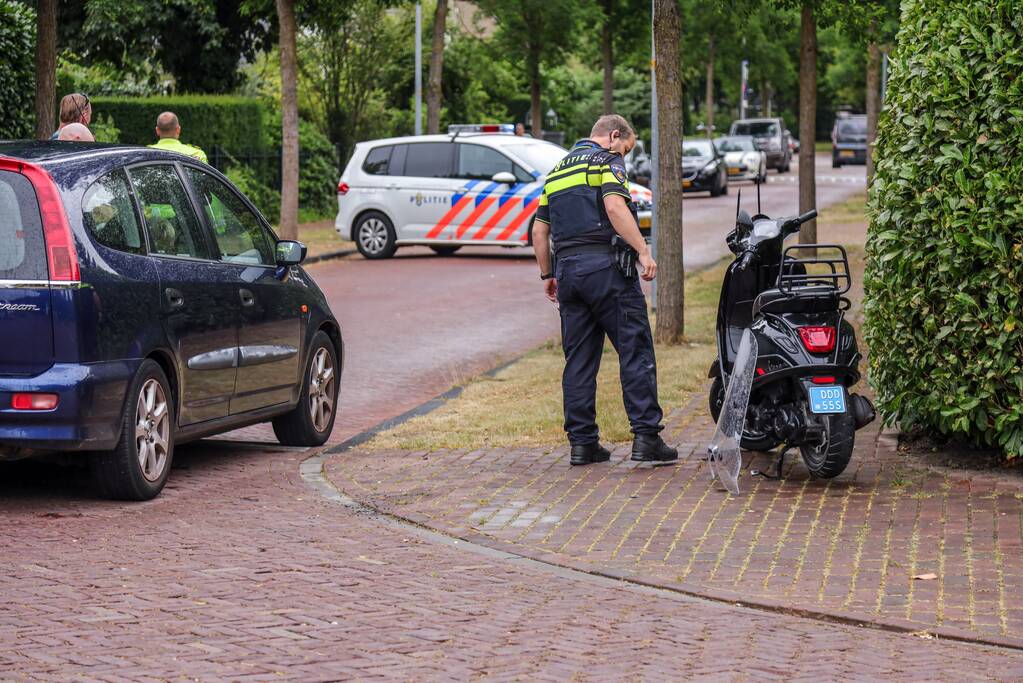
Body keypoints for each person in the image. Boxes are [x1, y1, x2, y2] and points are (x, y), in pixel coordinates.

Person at [532, 114, 678, 467]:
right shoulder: (606, 162)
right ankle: (646, 438)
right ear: (614, 137)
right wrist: (643, 251)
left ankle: (583, 445)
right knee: (634, 348)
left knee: (579, 361)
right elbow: (614, 206)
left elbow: (539, 231)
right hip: (607, 270)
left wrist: (547, 274)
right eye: (625, 149)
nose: (624, 157)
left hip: (568, 273)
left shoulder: (557, 171)